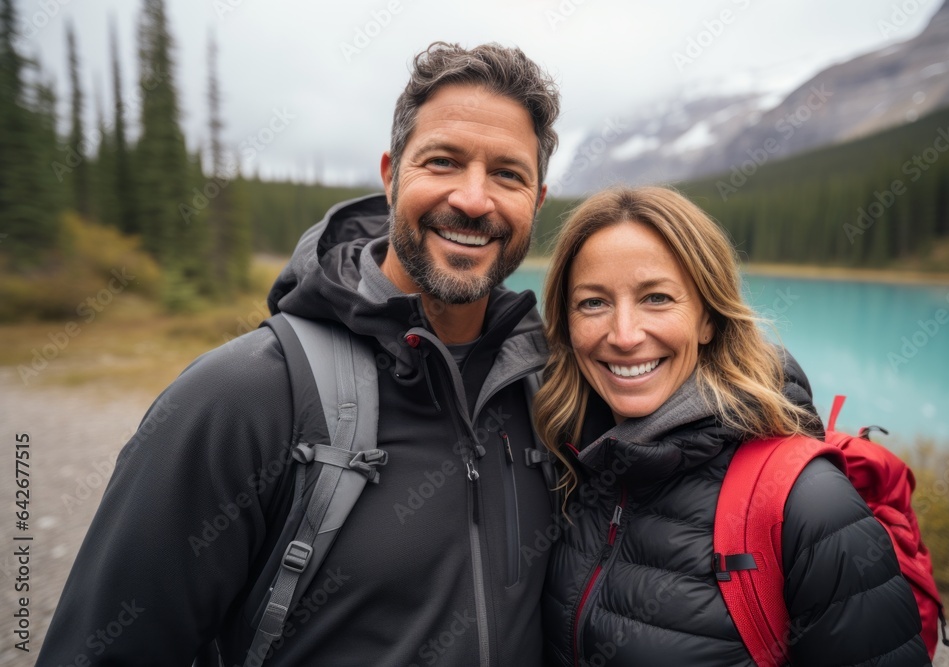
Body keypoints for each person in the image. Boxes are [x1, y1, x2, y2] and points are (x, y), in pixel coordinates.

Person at [38, 42, 560, 666]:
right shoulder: (239, 396)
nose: (474, 200)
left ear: (538, 198)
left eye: (508, 174)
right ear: (391, 174)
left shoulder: (550, 394)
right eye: (443, 161)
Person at [535, 187, 931, 666]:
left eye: (657, 298)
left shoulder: (808, 503)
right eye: (593, 303)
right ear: (566, 323)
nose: (624, 335)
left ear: (707, 319)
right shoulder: (568, 460)